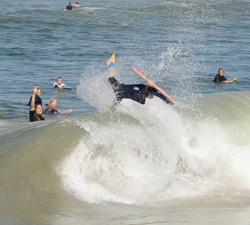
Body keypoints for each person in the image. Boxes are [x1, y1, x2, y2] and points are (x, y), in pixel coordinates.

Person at [108, 67, 173, 106]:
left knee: (111, 78)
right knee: (142, 99)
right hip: (135, 94)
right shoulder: (144, 93)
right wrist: (169, 102)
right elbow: (159, 95)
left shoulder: (119, 92)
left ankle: (111, 67)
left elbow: (158, 95)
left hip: (121, 90)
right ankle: (111, 67)